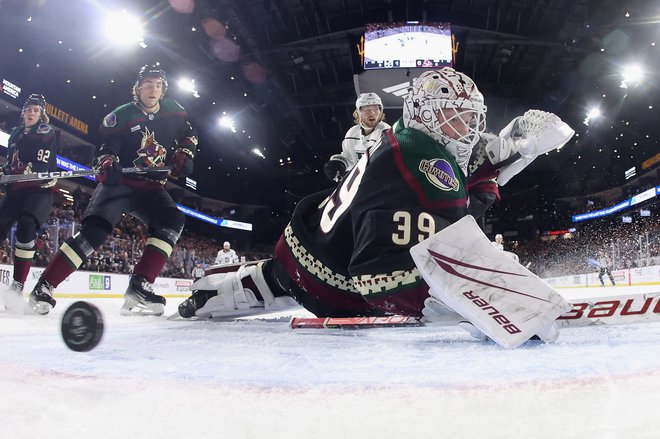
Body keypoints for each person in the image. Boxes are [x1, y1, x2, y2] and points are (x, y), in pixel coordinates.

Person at [178, 68, 573, 333]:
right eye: (454, 115)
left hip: (303, 249)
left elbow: (469, 162)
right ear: (425, 113)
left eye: (470, 117)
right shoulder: (425, 161)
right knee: (452, 249)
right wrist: (469, 300)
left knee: (276, 278)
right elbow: (384, 274)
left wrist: (517, 149)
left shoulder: (402, 134)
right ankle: (231, 290)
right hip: (343, 282)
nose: (467, 128)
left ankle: (218, 292)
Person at [27, 64, 198, 316]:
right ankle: (44, 287)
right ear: (137, 89)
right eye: (148, 84)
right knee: (93, 234)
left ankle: (139, 287)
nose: (153, 89)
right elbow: (106, 148)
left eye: (158, 85)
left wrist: (185, 152)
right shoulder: (121, 115)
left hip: (151, 188)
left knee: (172, 220)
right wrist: (108, 162)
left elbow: (189, 134)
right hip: (120, 184)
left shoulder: (175, 112)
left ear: (163, 90)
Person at [0, 94, 57, 311]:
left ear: (42, 114)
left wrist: (34, 171)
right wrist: (5, 171)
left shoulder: (46, 132)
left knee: (26, 226)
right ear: (22, 112)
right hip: (16, 191)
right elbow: (12, 161)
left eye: (36, 110)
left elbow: (42, 165)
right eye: (29, 110)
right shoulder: (14, 133)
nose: (32, 113)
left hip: (38, 192)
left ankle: (17, 285)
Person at [323, 93, 391, 182]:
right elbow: (349, 158)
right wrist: (339, 164)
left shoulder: (386, 132)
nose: (372, 113)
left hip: (382, 183)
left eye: (376, 108)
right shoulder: (352, 133)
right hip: (361, 182)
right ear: (358, 112)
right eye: (367, 109)